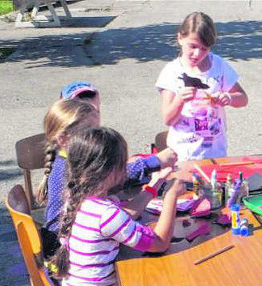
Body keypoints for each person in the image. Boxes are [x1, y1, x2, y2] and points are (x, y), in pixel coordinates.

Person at [37, 100, 177, 259]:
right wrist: (155, 165)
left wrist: (153, 185)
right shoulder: (66, 171)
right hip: (62, 255)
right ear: (63, 139)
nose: (98, 138)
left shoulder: (71, 166)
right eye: (89, 132)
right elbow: (159, 243)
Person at [50, 126, 185, 285]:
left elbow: (126, 216)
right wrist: (171, 196)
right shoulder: (107, 215)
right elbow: (160, 243)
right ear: (112, 171)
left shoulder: (77, 199)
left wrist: (155, 184)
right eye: (123, 163)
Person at [156, 12, 248, 161]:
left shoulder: (219, 65)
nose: (197, 54)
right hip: (182, 155)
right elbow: (168, 118)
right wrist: (180, 100)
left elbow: (243, 99)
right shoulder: (171, 71)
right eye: (192, 46)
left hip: (215, 153)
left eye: (204, 48)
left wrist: (229, 98)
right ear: (180, 38)